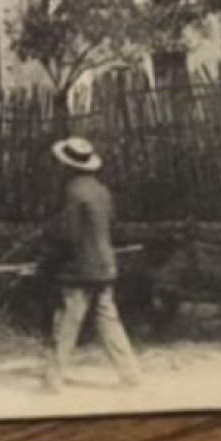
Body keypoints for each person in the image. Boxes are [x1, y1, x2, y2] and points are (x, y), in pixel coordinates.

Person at [42, 136, 141, 391]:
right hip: (105, 267)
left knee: (67, 322)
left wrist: (47, 260)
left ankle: (54, 377)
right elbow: (111, 227)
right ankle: (130, 374)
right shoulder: (102, 191)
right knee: (109, 321)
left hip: (78, 269)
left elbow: (68, 235)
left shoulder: (71, 192)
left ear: (68, 165)